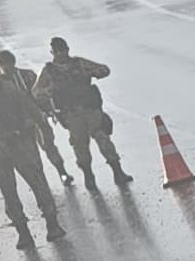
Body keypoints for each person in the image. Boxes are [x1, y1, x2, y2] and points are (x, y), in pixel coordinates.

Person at [0, 51, 64, 251]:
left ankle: (52, 224)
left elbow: (29, 107)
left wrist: (44, 129)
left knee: (38, 184)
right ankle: (23, 233)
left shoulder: (5, 88)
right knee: (8, 193)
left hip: (19, 145)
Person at [37, 37, 128, 187]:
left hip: (90, 110)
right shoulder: (49, 71)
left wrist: (91, 73)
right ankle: (88, 176)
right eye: (57, 51)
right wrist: (51, 89)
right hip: (71, 114)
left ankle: (118, 172)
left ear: (67, 49)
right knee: (80, 146)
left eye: (63, 50)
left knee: (103, 139)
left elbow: (104, 69)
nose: (61, 54)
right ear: (52, 52)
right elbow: (37, 92)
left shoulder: (79, 63)